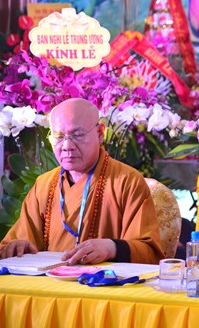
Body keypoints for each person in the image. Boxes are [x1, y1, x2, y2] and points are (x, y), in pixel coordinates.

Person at [0, 98, 164, 265]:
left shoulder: (127, 181)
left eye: (77, 135)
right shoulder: (44, 185)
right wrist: (18, 247)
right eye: (58, 136)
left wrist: (112, 247)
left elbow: (149, 252)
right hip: (49, 279)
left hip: (103, 280)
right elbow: (16, 243)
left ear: (100, 134)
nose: (66, 146)